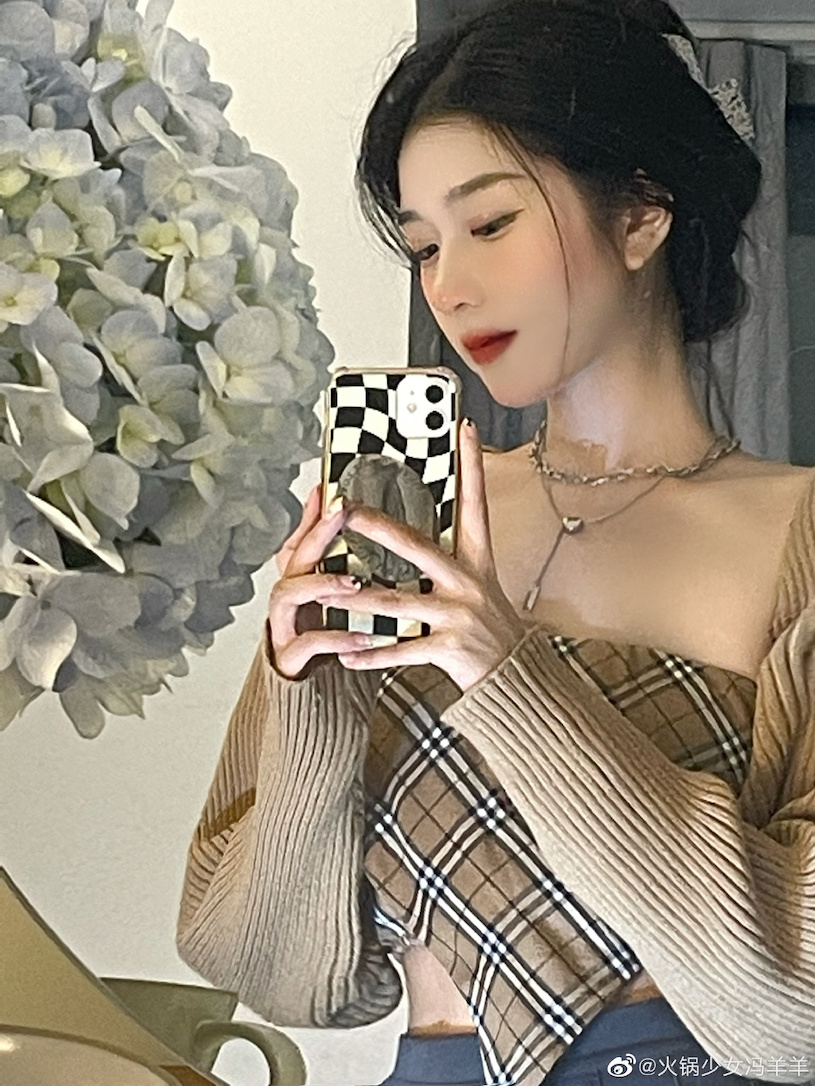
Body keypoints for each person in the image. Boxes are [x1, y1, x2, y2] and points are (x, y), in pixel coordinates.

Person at [176, 1, 815, 1084]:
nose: (448, 285)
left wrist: (506, 676)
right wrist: (309, 701)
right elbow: (282, 979)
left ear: (639, 216)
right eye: (423, 246)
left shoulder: (794, 535)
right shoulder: (399, 526)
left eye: (489, 224)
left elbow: (794, 1013)